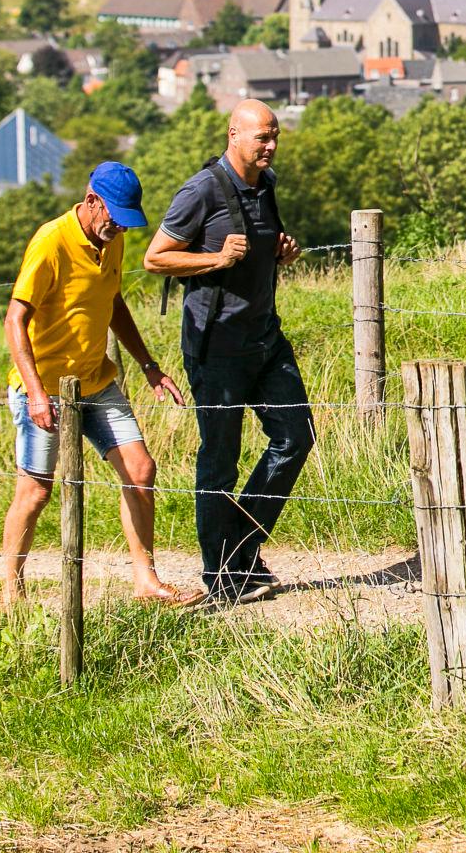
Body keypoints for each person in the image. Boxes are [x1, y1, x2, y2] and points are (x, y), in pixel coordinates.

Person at [1, 162, 197, 608]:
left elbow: (113, 302)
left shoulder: (114, 238)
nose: (120, 227)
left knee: (141, 470)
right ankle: (11, 591)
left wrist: (148, 365)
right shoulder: (50, 242)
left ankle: (146, 582)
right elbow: (15, 320)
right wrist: (34, 392)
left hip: (96, 380)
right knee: (36, 491)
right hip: (45, 386)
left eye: (128, 219)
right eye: (115, 216)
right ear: (91, 201)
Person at [145, 98, 311, 604]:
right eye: (262, 137)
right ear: (233, 134)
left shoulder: (267, 185)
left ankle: (240, 547)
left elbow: (256, 248)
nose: (271, 145)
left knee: (295, 437)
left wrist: (280, 251)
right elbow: (156, 258)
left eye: (275, 135)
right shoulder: (202, 190)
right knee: (220, 461)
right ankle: (220, 574)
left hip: (264, 337)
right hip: (215, 345)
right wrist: (215, 258)